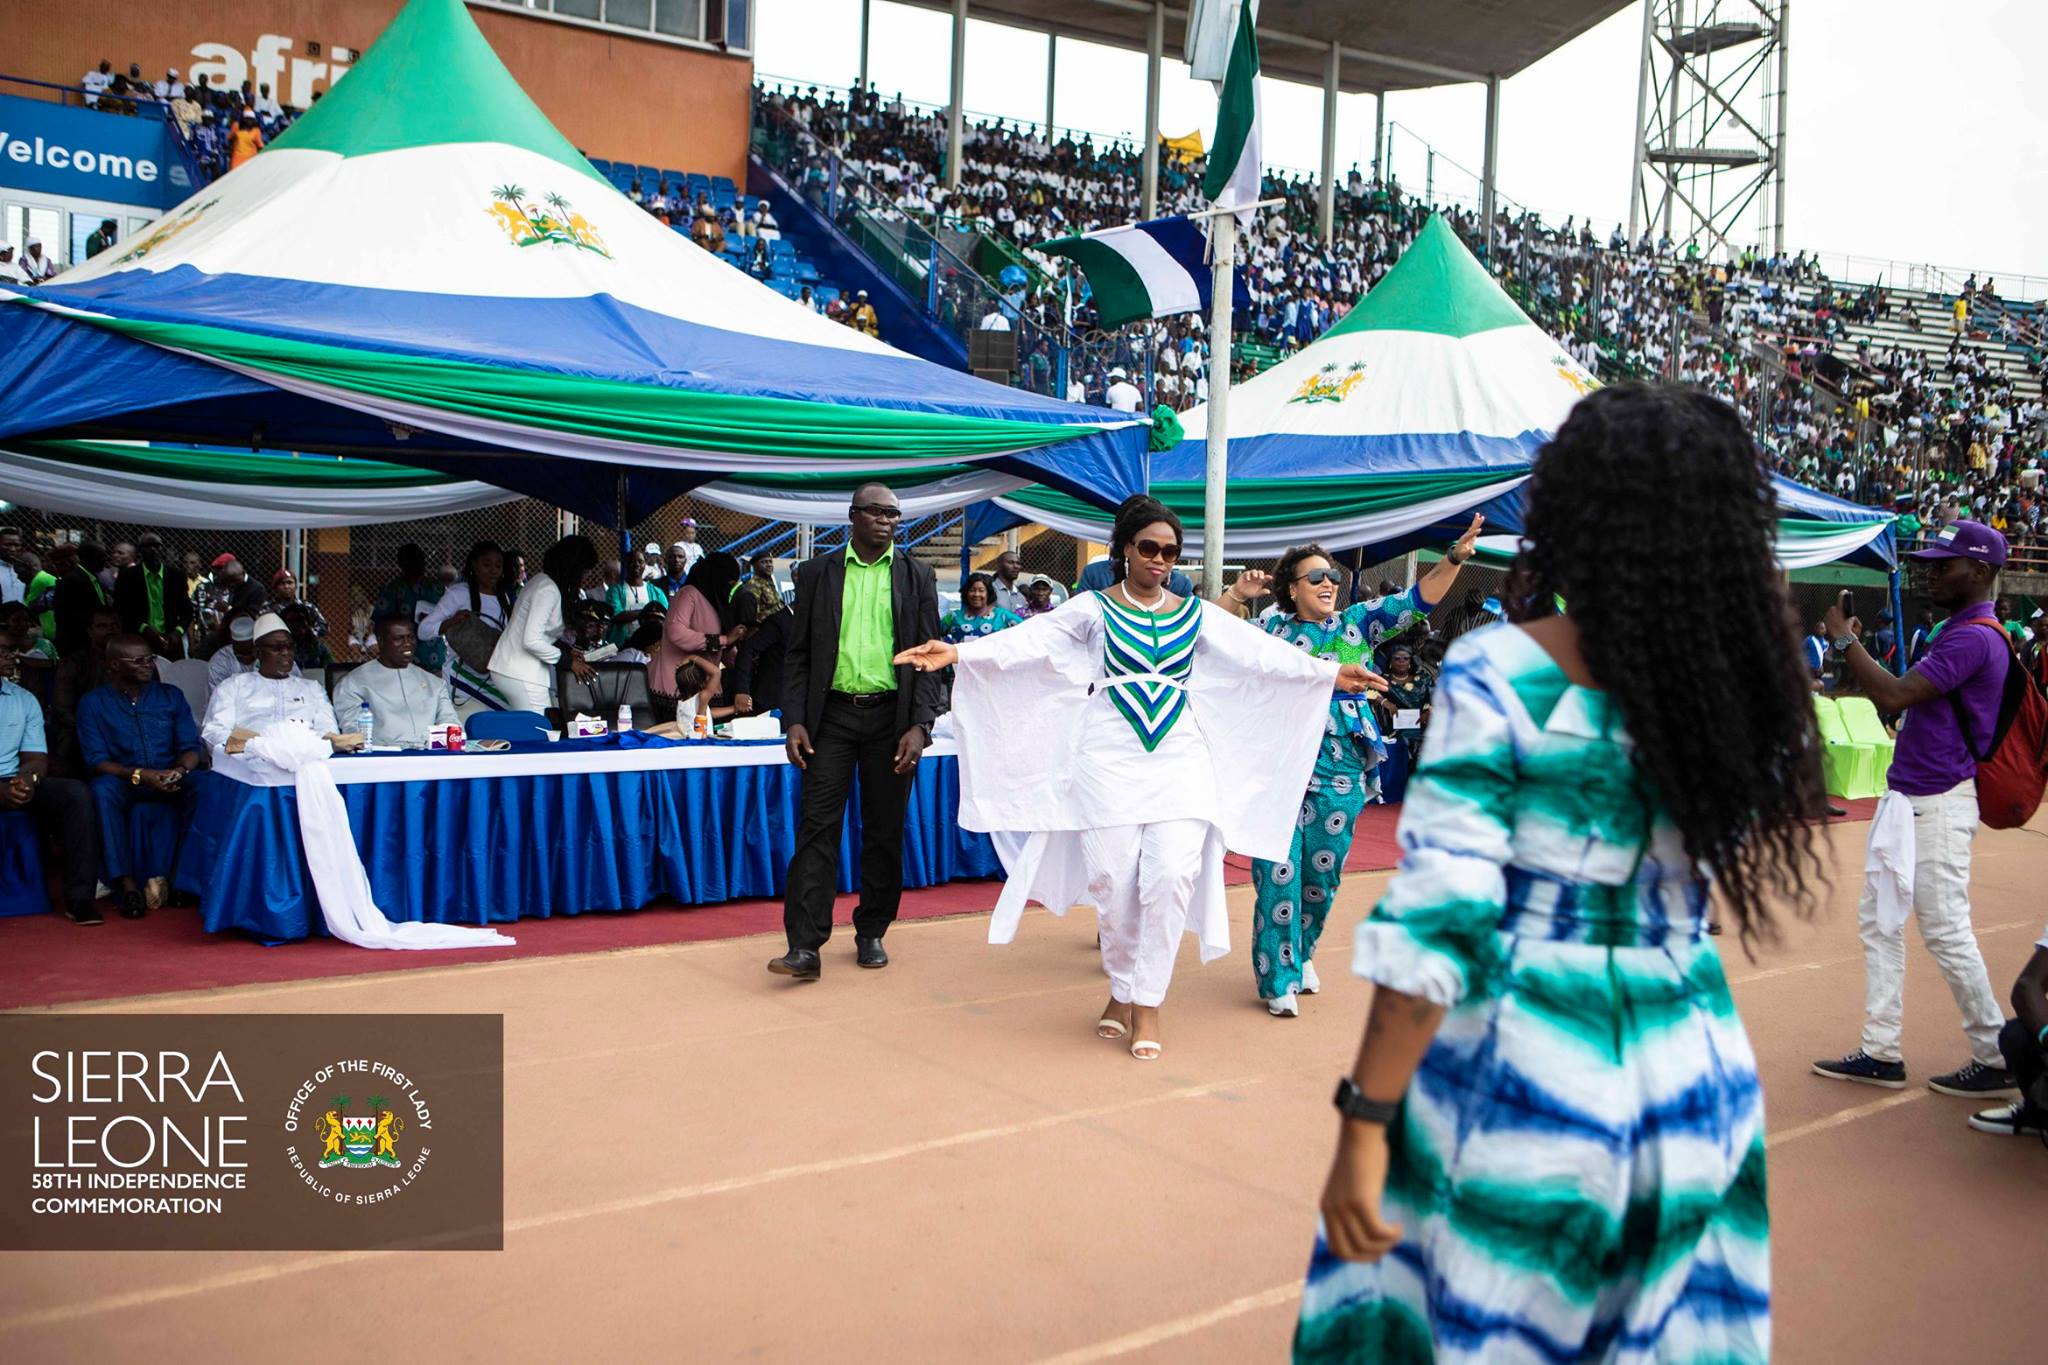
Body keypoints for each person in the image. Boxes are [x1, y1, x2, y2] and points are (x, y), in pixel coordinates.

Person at [1295, 384, 1822, 1363]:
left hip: (1527, 1071)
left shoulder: (1502, 670)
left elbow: (1444, 917)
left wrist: (1364, 1118)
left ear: (1576, 508)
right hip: (1695, 1070)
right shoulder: (1741, 683)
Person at [899, 496, 1375, 1057]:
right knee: (1114, 882)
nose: (1160, 560)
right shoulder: (1092, 608)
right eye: (1149, 548)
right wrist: (956, 652)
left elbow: (1258, 654)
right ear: (1125, 548)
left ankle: (1145, 1003)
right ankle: (1121, 990)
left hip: (1181, 758)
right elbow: (1032, 641)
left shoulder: (1195, 613)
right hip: (1106, 760)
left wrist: (1325, 672)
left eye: (1170, 552)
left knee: (1170, 877)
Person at [1812, 519, 2020, 1098]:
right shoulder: (1959, 630)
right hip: (1909, 798)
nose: (1931, 573)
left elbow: (1895, 694)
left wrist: (1845, 640)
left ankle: (1993, 1053)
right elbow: (1906, 697)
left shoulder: (1974, 636)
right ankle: (1881, 1049)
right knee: (1879, 922)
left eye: (1943, 565)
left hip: (1938, 803)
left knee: (1946, 930)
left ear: (1979, 572)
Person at [1249, 518, 1483, 1016]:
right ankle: (1278, 977)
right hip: (1279, 767)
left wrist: (1455, 559)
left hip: (1342, 768)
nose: (1328, 582)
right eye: (1315, 577)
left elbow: (1417, 600)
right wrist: (1232, 597)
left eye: (1331, 574)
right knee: (1278, 872)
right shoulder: (1268, 629)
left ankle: (1302, 952)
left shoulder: (1357, 623)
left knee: (1322, 872)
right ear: (1292, 588)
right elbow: (1226, 656)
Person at [768, 484, 943, 981]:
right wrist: (794, 718)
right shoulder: (817, 573)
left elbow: (930, 658)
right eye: (876, 511)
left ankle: (872, 930)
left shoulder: (917, 575)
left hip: (892, 718)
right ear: (852, 516)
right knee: (817, 830)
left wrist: (920, 725)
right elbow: (798, 654)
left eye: (894, 513)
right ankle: (804, 946)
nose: (886, 520)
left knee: (884, 830)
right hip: (832, 719)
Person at [78, 634, 210, 917]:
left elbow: (190, 748)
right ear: (114, 665)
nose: (148, 665)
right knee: (101, 790)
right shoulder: (93, 703)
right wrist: (140, 775)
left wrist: (179, 770)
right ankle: (126, 885)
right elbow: (97, 760)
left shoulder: (170, 695)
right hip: (127, 779)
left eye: (149, 658)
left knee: (206, 784)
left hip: (170, 776)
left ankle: (180, 878)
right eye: (138, 660)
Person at [0, 623, 101, 924]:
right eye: (3, 651)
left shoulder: (23, 699)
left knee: (75, 793)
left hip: (11, 779)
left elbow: (35, 757)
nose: (12, 657)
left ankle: (79, 898)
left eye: (12, 650)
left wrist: (28, 780)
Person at [487, 535, 598, 714]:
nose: (587, 575)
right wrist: (569, 662)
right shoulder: (548, 590)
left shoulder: (542, 581)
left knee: (533, 727)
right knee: (541, 730)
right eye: (585, 571)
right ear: (573, 568)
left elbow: (540, 633)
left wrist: (567, 650)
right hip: (520, 671)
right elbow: (531, 640)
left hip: (516, 669)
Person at [200, 613, 345, 749]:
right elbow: (214, 733)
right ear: (257, 652)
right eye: (277, 648)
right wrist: (255, 747)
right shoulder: (232, 687)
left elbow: (328, 731)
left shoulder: (312, 689)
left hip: (304, 760)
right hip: (249, 765)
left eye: (289, 646)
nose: (285, 652)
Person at [417, 539, 514, 717]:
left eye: (498, 566)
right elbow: (423, 630)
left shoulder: (504, 598)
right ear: (474, 565)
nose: (493, 570)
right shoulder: (459, 593)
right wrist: (449, 623)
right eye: (487, 564)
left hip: (493, 677)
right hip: (462, 677)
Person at [334, 616, 457, 748]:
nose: (407, 643)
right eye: (399, 638)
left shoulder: (434, 683)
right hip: (381, 759)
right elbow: (353, 731)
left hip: (432, 756)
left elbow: (451, 723)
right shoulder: (353, 683)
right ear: (380, 642)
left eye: (411, 637)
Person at [649, 553, 740, 709]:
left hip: (707, 687)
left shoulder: (716, 603)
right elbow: (676, 632)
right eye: (728, 582)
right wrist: (724, 640)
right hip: (676, 690)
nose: (729, 588)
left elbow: (724, 653)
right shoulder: (688, 594)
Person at [49, 603, 122, 776]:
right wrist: (98, 729)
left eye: (114, 626)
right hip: (82, 733)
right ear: (90, 631)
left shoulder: (137, 663)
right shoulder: (73, 664)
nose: (110, 631)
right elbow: (63, 712)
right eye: (102, 626)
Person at [113, 532, 194, 660]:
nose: (153, 550)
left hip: (170, 641)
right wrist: (144, 628)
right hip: (140, 640)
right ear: (140, 551)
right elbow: (121, 610)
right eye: (148, 546)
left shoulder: (176, 575)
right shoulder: (128, 577)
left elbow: (187, 611)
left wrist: (178, 632)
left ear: (162, 549)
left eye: (157, 546)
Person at [371, 543, 445, 673]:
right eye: (410, 560)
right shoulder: (392, 589)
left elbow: (451, 617)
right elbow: (380, 623)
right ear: (401, 563)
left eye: (419, 559)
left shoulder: (437, 588)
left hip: (434, 655)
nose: (415, 563)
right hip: (402, 657)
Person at [730, 599, 792, 717]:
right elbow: (748, 650)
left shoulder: (813, 623)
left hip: (794, 698)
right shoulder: (779, 622)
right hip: (769, 699)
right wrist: (742, 690)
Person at [606, 549, 669, 645]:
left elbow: (665, 616)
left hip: (649, 645)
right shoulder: (615, 590)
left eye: (640, 562)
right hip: (622, 644)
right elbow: (615, 615)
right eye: (631, 561)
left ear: (645, 565)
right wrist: (646, 613)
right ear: (625, 565)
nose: (636, 565)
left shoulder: (656, 592)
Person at [940, 574, 1022, 642]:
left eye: (981, 590)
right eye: (972, 590)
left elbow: (1025, 631)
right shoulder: (954, 616)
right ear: (966, 593)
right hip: (961, 661)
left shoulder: (1002, 616)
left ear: (989, 593)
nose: (976, 594)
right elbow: (934, 633)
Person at [989, 550, 1029, 615]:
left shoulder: (1021, 597)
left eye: (1018, 563)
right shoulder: (989, 590)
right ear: (999, 565)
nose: (1015, 566)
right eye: (1010, 562)